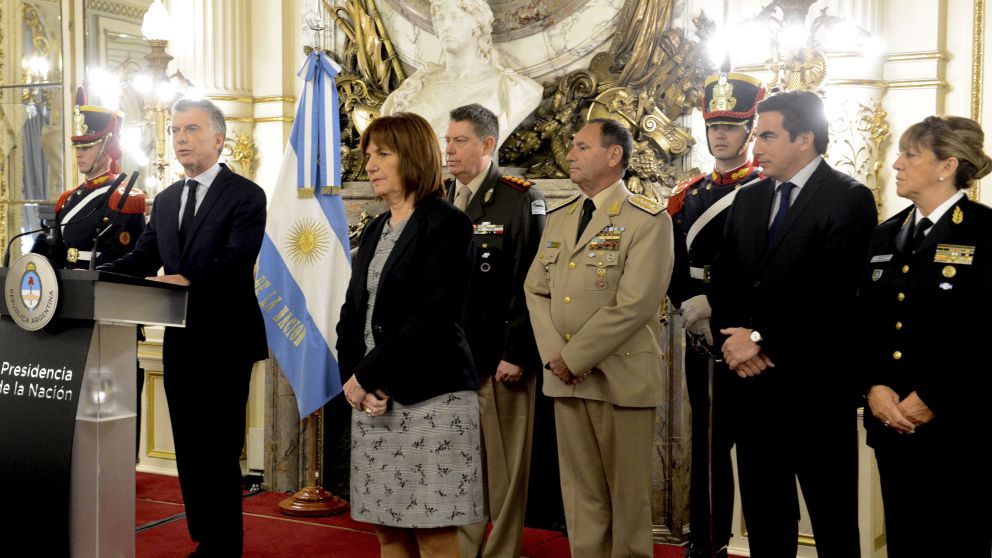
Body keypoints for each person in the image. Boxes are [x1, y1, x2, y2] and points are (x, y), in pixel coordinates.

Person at [709, 90, 877, 557]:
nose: (754, 146)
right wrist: (734, 344)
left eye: (766, 135)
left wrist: (759, 339)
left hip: (815, 389)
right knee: (765, 516)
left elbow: (834, 294)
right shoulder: (749, 198)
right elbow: (725, 281)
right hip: (752, 387)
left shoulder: (849, 198)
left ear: (805, 138)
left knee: (833, 517)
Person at [99, 98, 268, 556]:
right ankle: (205, 540)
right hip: (180, 340)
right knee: (191, 451)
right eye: (174, 131)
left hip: (225, 339)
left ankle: (225, 545)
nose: (180, 140)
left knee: (218, 448)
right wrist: (99, 273)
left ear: (218, 137)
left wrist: (188, 278)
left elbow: (237, 259)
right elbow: (144, 258)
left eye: (191, 130)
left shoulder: (246, 194)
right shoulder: (170, 197)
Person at [523, 118, 673, 557]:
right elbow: (535, 288)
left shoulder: (647, 219)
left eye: (582, 146)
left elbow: (635, 303)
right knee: (581, 495)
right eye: (571, 146)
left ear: (614, 156)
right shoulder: (560, 217)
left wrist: (575, 356)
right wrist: (556, 355)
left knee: (627, 499)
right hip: (565, 377)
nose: (569, 154)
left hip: (620, 377)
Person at [336, 112, 483, 557]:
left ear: (413, 156)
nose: (370, 165)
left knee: (433, 532)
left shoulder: (447, 224)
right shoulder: (377, 227)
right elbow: (351, 314)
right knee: (388, 529)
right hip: (373, 401)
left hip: (431, 399)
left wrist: (366, 378)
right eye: (367, 156)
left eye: (383, 154)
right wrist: (356, 382)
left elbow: (431, 317)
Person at [858, 115, 992, 557]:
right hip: (891, 419)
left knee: (957, 540)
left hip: (959, 427)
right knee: (905, 539)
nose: (896, 163)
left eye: (910, 154)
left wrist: (934, 396)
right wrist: (874, 388)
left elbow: (986, 334)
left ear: (946, 165)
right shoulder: (884, 234)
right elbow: (867, 322)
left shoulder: (985, 233)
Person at [666, 71, 764, 558]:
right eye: (714, 126)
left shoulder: (765, 190)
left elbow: (762, 268)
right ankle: (708, 541)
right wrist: (685, 301)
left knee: (756, 446)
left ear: (749, 131)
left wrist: (720, 307)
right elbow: (669, 261)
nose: (720, 134)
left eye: (731, 125)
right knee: (707, 444)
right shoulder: (689, 195)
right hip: (697, 332)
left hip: (745, 331)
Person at [442, 104, 545, 558]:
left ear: (487, 145)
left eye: (459, 141)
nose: (449, 149)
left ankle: (501, 551)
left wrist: (517, 352)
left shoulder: (518, 197)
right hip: (452, 362)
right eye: (447, 140)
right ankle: (463, 550)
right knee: (460, 467)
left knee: (504, 473)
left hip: (500, 358)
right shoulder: (442, 197)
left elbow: (532, 281)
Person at [380, 0, 542, 149]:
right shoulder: (416, 85)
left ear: (478, 24)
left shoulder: (514, 89)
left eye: (456, 17)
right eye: (441, 18)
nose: (446, 25)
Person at [35, 87, 145, 269]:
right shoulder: (68, 199)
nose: (78, 154)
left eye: (86, 148)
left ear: (108, 147)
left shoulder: (124, 199)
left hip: (102, 286)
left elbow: (125, 257)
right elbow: (57, 252)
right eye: (77, 148)